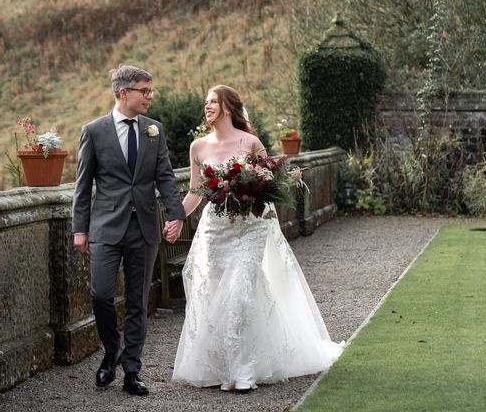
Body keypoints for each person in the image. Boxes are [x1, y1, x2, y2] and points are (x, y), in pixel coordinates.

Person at [172, 85, 343, 391]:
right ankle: (219, 366)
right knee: (215, 296)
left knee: (240, 294)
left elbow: (270, 186)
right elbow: (196, 192)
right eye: (206, 102)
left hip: (249, 228)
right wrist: (176, 217)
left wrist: (252, 205)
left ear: (227, 107)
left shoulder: (250, 142)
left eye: (213, 101)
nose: (207, 106)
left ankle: (243, 371)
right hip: (216, 230)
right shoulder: (198, 147)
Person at [72, 65, 185, 396]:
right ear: (124, 93)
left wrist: (175, 214)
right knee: (101, 295)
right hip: (105, 227)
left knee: (138, 301)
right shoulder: (93, 131)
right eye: (144, 91)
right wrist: (80, 229)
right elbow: (82, 186)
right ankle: (111, 351)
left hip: (145, 229)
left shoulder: (154, 130)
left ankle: (132, 370)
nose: (150, 96)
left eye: (151, 91)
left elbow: (164, 175)